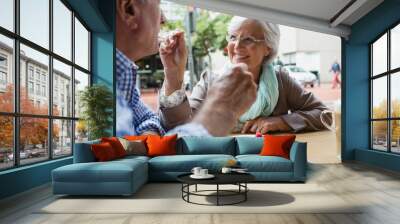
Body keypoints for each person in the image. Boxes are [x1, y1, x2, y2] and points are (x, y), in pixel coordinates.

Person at [159, 16, 331, 134]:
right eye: (233, 37)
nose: (237, 46)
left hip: (268, 163)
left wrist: (281, 121)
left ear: (268, 48)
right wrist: (173, 76)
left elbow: (325, 115)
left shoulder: (281, 80)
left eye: (248, 39)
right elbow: (180, 128)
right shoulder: (211, 80)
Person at [116, 0, 257, 137]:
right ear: (129, 9)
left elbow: (150, 120)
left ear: (269, 48)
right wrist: (220, 112)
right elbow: (117, 160)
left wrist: (173, 74)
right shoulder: (107, 83)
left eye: (249, 39)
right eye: (159, 3)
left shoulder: (123, 77)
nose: (164, 19)